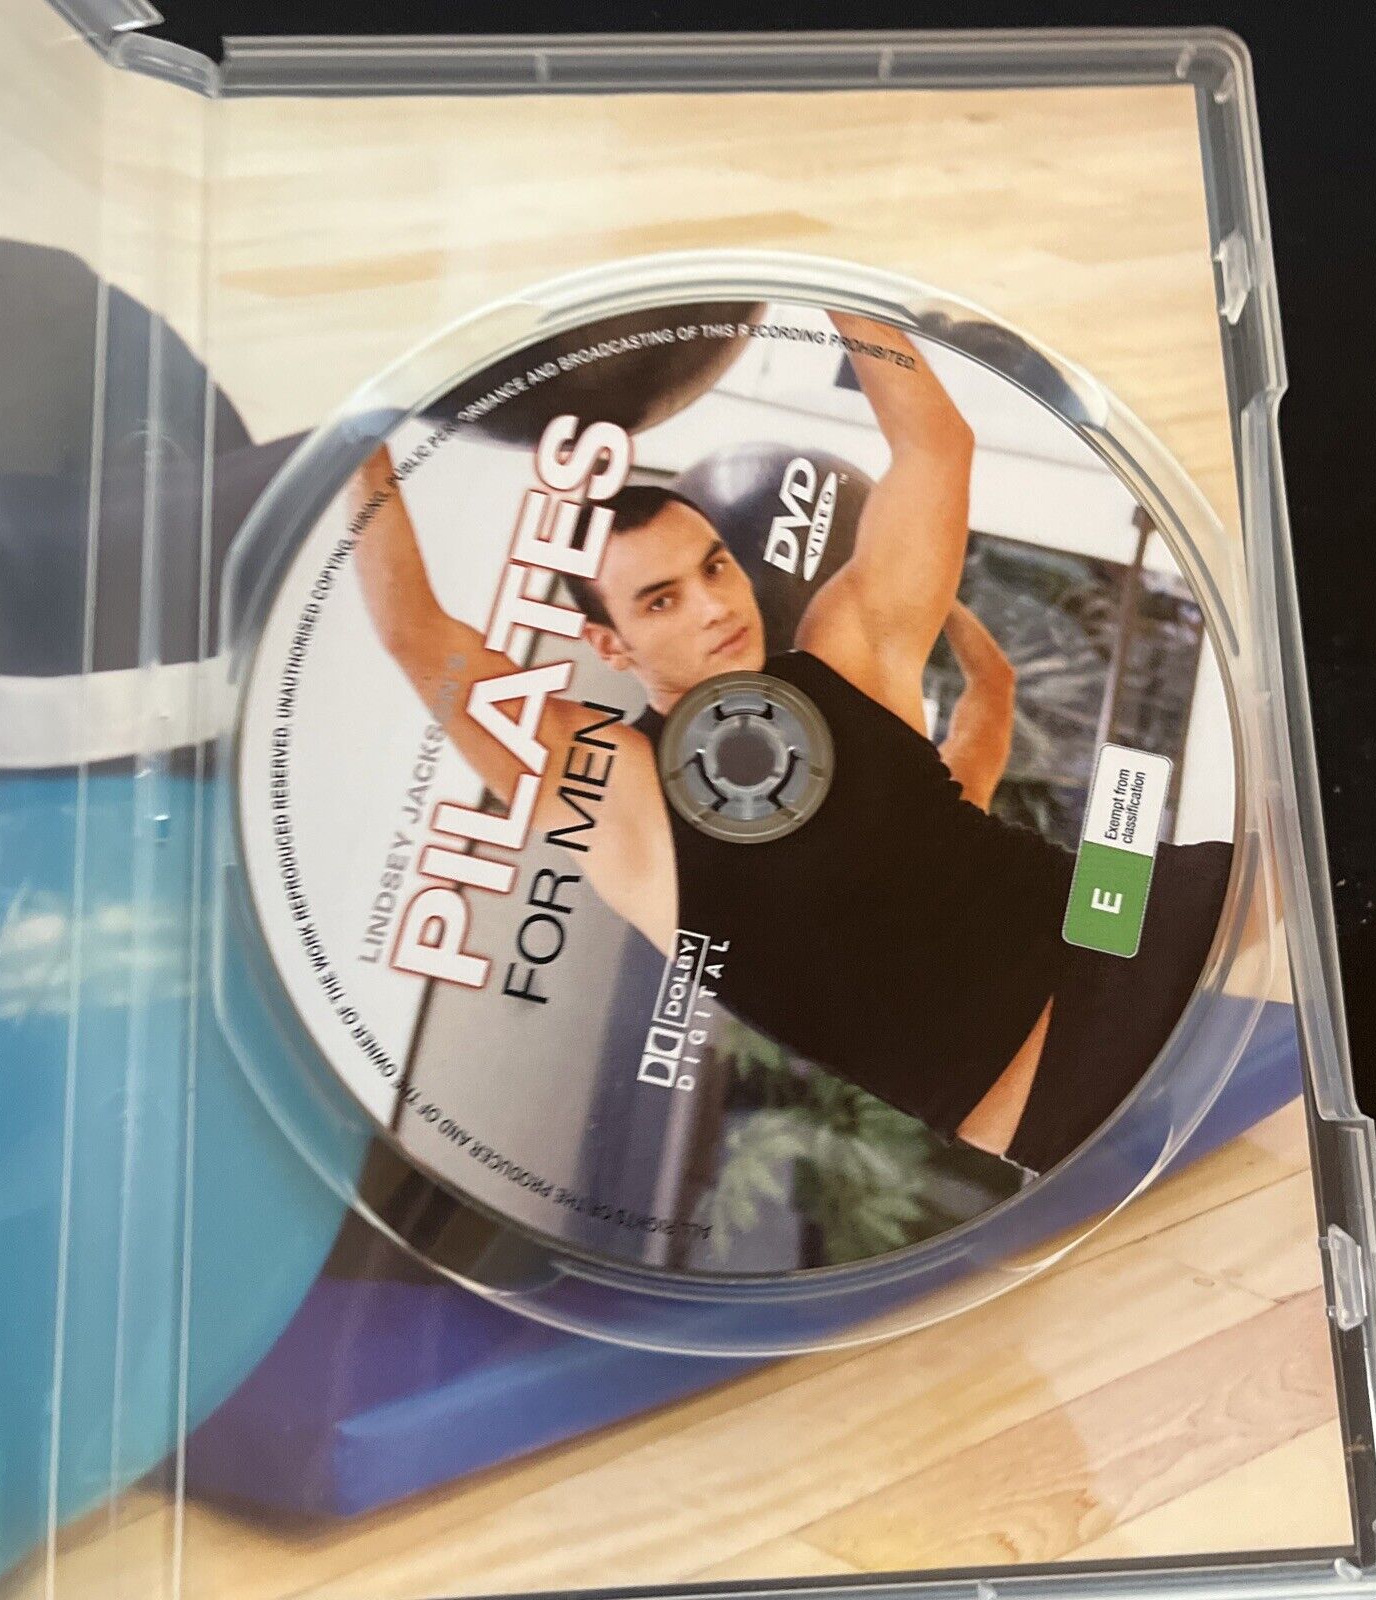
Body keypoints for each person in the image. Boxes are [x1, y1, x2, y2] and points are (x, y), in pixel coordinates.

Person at [354, 311, 1230, 1172]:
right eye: (661, 601)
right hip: (1067, 1087)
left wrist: (829, 283)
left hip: (1148, 922)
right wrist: (359, 436)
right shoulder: (618, 795)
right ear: (610, 646)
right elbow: (417, 637)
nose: (713, 606)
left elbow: (936, 450)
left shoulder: (842, 655)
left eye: (713, 565)